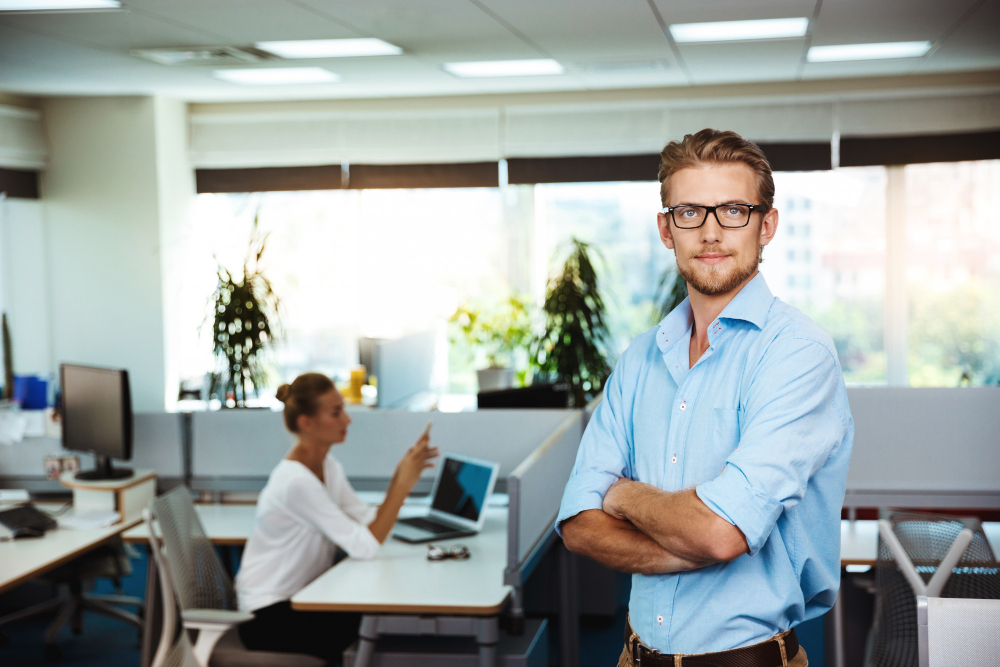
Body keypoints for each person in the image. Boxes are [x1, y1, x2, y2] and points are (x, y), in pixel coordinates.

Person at [558, 129, 853, 667]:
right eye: (690, 212)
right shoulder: (640, 360)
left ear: (767, 225)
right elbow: (578, 523)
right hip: (632, 656)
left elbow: (720, 533)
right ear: (667, 229)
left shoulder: (797, 353)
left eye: (734, 211)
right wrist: (682, 544)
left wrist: (622, 497)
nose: (712, 232)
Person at [235, 372, 438, 663]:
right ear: (307, 423)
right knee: (375, 622)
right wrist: (403, 484)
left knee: (377, 618)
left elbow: (368, 520)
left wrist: (399, 481)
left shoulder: (328, 466)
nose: (348, 420)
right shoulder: (296, 482)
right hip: (266, 617)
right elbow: (365, 545)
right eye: (336, 412)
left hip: (303, 599)